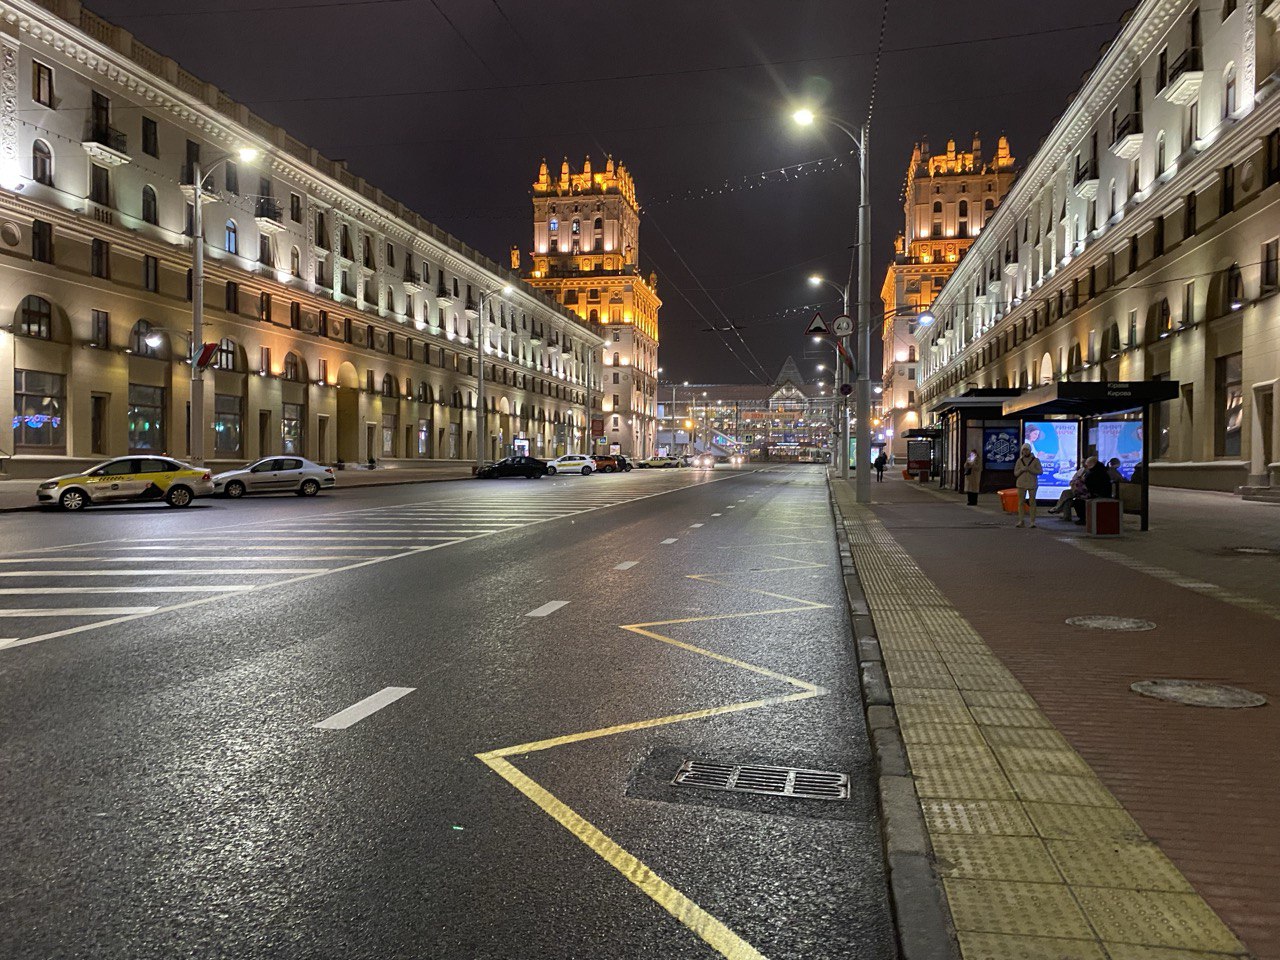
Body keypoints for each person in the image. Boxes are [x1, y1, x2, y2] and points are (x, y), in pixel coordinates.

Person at [1072, 456, 1114, 524]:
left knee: (1078, 500)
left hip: (1097, 494)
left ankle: (1083, 518)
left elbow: (1090, 485)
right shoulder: (1101, 470)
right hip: (1099, 493)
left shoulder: (1094, 473)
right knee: (1071, 496)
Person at [1012, 442, 1043, 528]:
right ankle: (1021, 520)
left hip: (1032, 484)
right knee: (1021, 503)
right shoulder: (1019, 461)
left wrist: (1030, 470)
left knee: (1032, 502)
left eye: (1027, 450)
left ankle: (1032, 521)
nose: (1025, 452)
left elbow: (1040, 471)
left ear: (1030, 450)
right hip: (1021, 484)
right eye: (1024, 450)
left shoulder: (1036, 460)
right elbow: (1015, 473)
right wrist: (1021, 470)